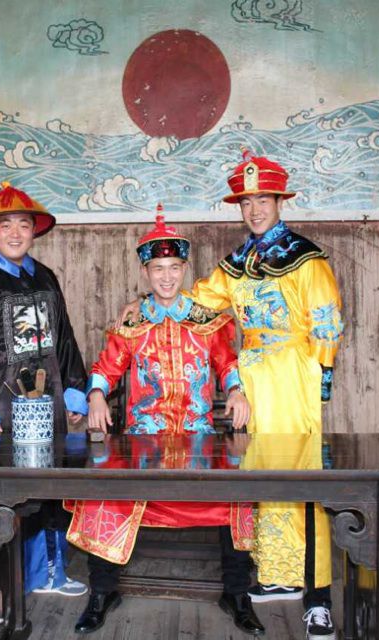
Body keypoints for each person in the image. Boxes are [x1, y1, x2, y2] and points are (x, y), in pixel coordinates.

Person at [120, 152, 344, 640]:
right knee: (258, 475)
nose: (255, 209)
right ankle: (278, 572)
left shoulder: (306, 258)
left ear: (279, 201)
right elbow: (197, 299)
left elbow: (327, 320)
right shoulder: (239, 262)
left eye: (263, 200)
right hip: (251, 377)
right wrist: (145, 304)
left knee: (302, 476)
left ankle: (318, 595)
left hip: (292, 374)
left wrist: (321, 378)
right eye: (246, 202)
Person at [66, 213, 264, 636]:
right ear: (146, 272)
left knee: (239, 493)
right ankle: (102, 591)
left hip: (198, 440)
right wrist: (96, 395)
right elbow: (105, 368)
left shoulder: (207, 320)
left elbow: (227, 364)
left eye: (174, 267)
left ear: (185, 268)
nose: (167, 277)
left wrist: (236, 391)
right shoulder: (133, 323)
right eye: (158, 268)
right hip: (144, 443)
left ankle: (237, 593)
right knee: (102, 489)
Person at [0, 181, 88, 596]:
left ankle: (52, 572)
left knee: (52, 488)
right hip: (2, 413)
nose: (14, 233)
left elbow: (64, 338)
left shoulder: (45, 277)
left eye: (23, 224)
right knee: (10, 497)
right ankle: (14, 581)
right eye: (5, 224)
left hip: (47, 407)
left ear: (33, 230)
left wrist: (74, 390)